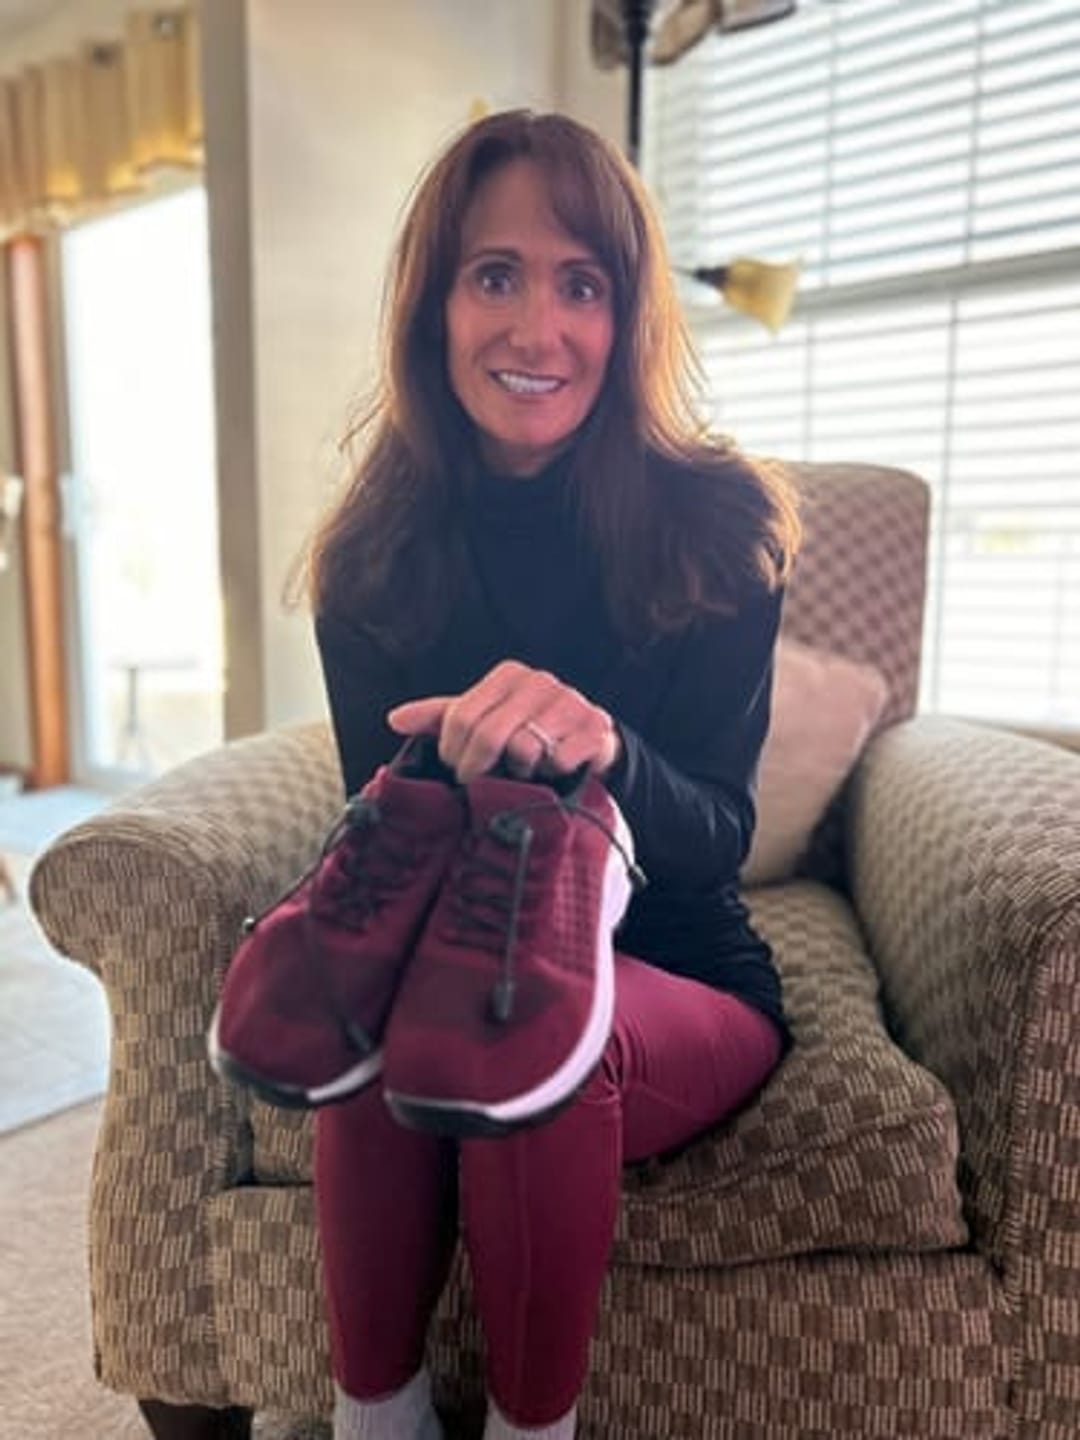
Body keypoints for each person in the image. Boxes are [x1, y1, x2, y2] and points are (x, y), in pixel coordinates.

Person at [214, 109, 800, 1440]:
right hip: (452, 961)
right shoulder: (371, 559)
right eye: (496, 275)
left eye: (581, 284)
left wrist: (605, 747)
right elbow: (387, 837)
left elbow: (719, 833)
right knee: (403, 1011)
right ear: (434, 304)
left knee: (535, 1028)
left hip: (682, 970)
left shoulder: (721, 526)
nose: (539, 329)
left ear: (627, 315)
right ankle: (380, 1415)